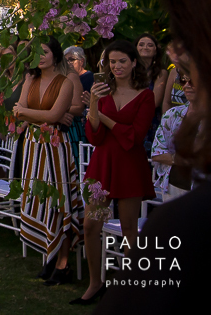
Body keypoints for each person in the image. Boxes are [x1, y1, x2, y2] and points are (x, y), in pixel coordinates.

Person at [97, 0, 210, 311]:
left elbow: (132, 136)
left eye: (185, 26)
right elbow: (96, 134)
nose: (177, 51)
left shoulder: (189, 232)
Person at [73, 39, 156, 305]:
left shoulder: (146, 95)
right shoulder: (102, 92)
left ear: (133, 63)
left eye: (122, 61)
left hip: (130, 167)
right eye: (112, 62)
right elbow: (94, 137)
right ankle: (95, 283)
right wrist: (94, 104)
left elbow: (135, 137)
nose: (117, 66)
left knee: (129, 228)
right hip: (102, 166)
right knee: (90, 225)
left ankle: (131, 288)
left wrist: (102, 115)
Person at [12, 37, 80, 285]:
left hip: (56, 146)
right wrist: (46, 116)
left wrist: (30, 114)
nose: (39, 57)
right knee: (39, 199)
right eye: (35, 53)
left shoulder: (66, 82)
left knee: (59, 200)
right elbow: (19, 112)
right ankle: (49, 256)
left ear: (55, 55)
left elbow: (50, 114)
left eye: (45, 52)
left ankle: (63, 262)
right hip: (33, 146)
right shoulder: (30, 79)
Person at [150, 64, 196, 201]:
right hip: (173, 187)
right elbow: (157, 153)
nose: (186, 86)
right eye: (183, 80)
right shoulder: (172, 114)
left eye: (192, 81)